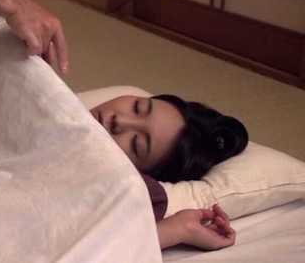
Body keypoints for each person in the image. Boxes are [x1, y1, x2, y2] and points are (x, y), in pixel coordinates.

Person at [90, 94, 249, 251]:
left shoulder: (122, 190)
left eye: (136, 144)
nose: (119, 121)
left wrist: (178, 229)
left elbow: (95, 251)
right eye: (138, 107)